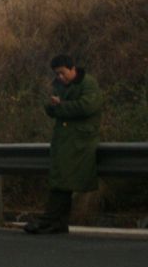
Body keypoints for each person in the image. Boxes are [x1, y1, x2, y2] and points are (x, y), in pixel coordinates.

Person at [24, 54, 103, 234]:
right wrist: (53, 107)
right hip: (64, 140)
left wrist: (61, 106)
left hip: (80, 141)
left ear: (72, 68)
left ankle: (51, 219)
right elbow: (50, 106)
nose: (59, 77)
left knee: (63, 180)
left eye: (62, 73)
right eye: (57, 74)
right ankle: (56, 221)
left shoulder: (88, 84)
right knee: (60, 179)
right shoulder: (59, 86)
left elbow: (87, 107)